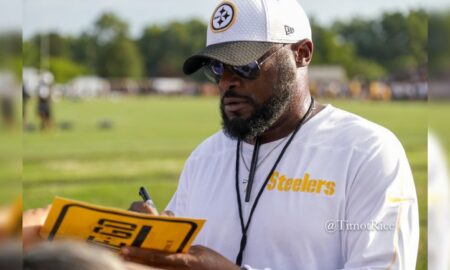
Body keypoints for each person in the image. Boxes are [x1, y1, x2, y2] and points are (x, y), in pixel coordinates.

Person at [125, 0, 419, 269]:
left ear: (301, 53)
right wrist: (146, 249)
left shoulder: (367, 153)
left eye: (244, 65)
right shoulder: (205, 157)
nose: (227, 81)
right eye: (217, 67)